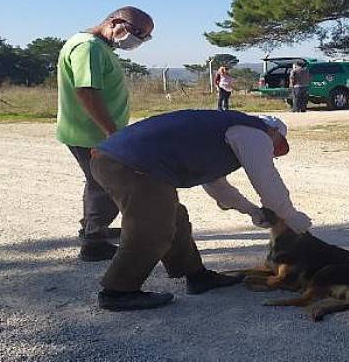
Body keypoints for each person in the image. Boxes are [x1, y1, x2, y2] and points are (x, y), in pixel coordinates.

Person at [89, 110, 312, 311]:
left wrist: (252, 211)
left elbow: (218, 188)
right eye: (277, 145)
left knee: (174, 217)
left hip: (120, 159)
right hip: (128, 162)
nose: (273, 152)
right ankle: (118, 292)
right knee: (152, 227)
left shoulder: (221, 136)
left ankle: (197, 276)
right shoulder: (254, 132)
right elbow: (267, 180)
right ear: (273, 131)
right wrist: (290, 216)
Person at [56, 6, 154, 262]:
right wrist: (111, 132)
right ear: (116, 22)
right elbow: (86, 91)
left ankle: (91, 228)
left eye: (145, 37)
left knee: (97, 181)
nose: (139, 41)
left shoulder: (98, 47)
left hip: (92, 131)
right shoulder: (89, 48)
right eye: (138, 34)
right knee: (109, 184)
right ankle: (94, 242)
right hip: (92, 133)